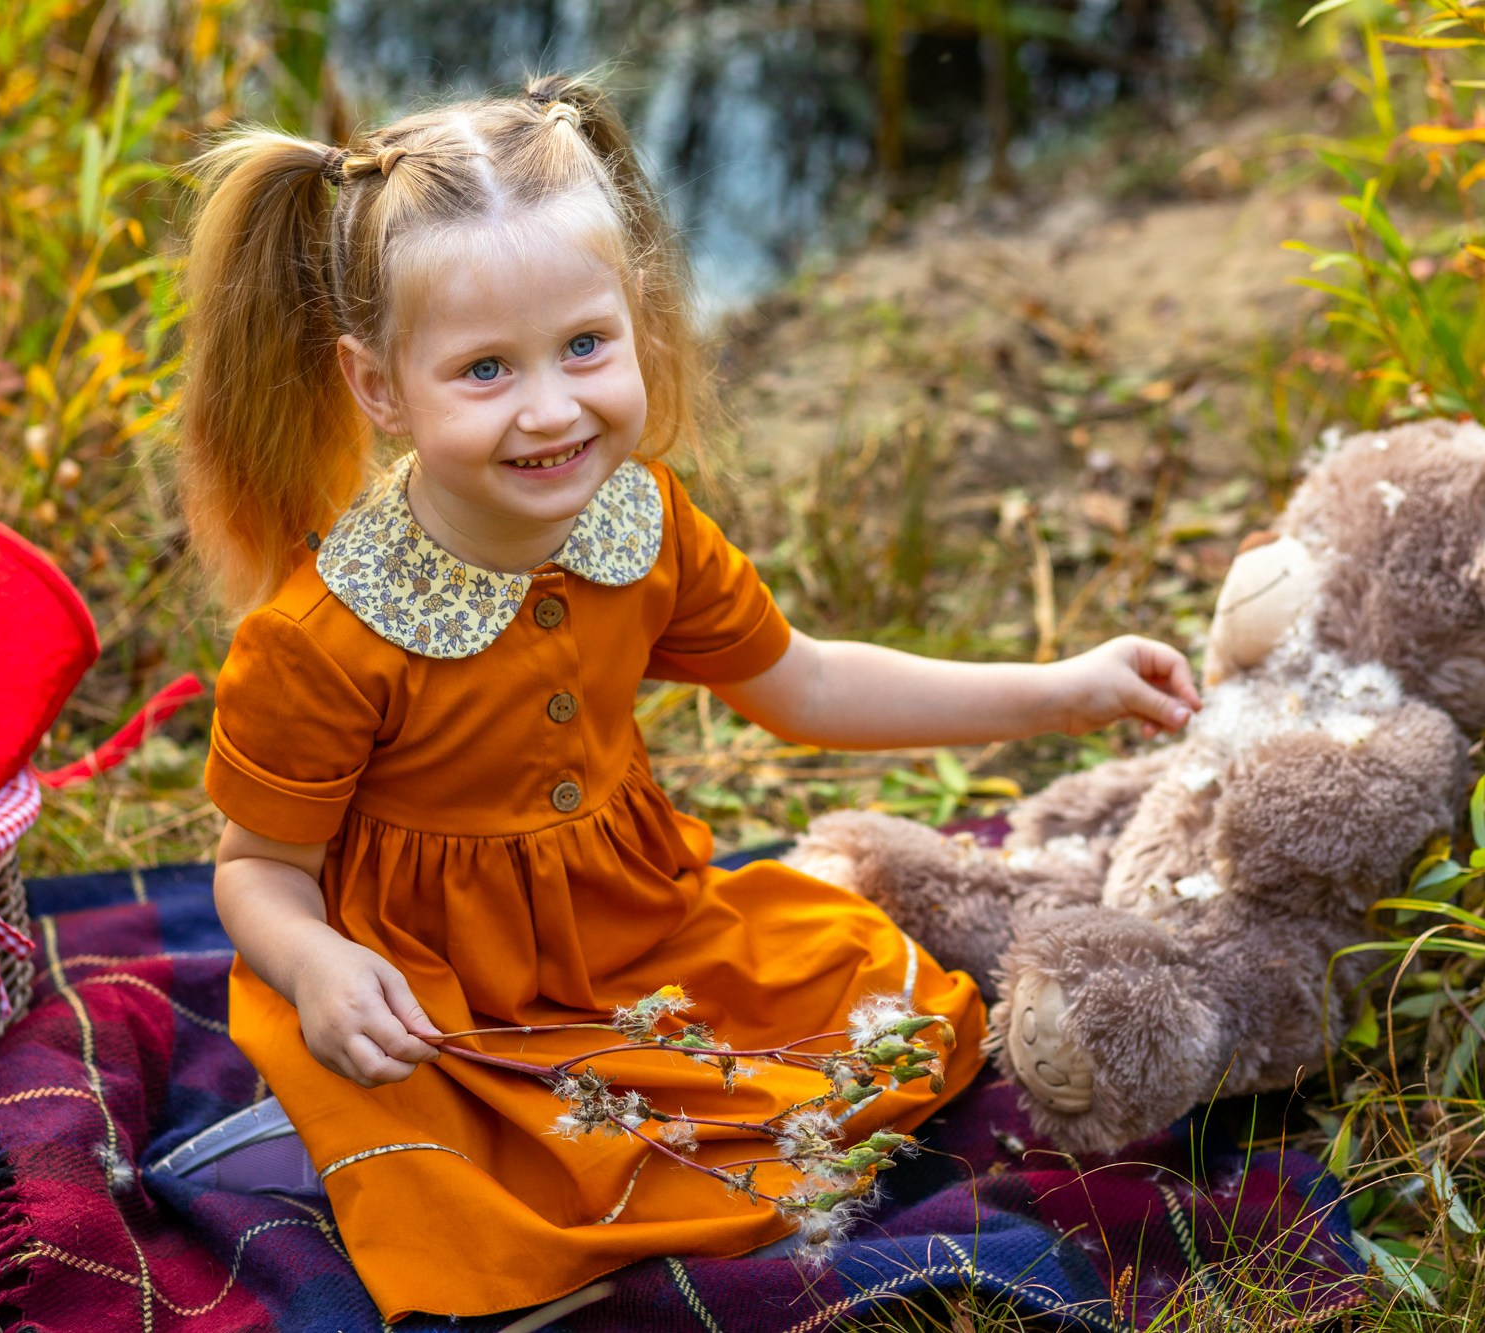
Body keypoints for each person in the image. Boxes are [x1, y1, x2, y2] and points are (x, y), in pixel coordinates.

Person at [175, 73, 1202, 1320]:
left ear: (636, 315)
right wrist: (318, 966)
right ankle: (328, 1143)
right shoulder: (324, 637)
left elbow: (806, 682)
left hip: (637, 935)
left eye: (584, 346)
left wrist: (1060, 688)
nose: (551, 408)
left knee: (886, 1011)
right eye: (485, 369)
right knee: (515, 1209)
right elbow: (257, 871)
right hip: (433, 995)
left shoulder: (642, 521)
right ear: (377, 385)